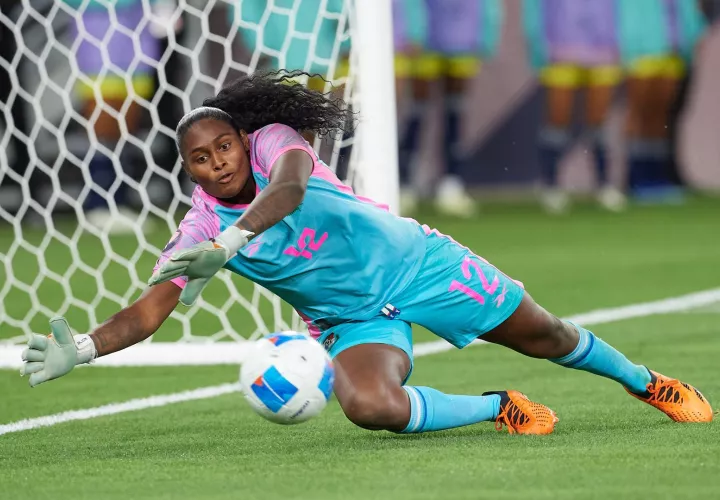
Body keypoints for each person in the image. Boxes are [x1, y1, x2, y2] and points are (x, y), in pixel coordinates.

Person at [20, 72, 713, 435]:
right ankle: (497, 407)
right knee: (370, 407)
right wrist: (82, 348)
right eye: (200, 160)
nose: (216, 162)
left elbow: (290, 190)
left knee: (549, 334)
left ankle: (645, 382)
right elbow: (148, 313)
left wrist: (233, 241)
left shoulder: (274, 143)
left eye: (222, 147)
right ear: (190, 171)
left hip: (419, 265)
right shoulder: (195, 228)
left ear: (241, 140)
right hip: (353, 319)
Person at [394, 0, 503, 217]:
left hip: (464, 35)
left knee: (455, 112)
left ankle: (452, 182)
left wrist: (487, 34)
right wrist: (414, 31)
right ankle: (405, 183)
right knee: (418, 110)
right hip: (425, 39)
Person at [523, 0, 627, 214]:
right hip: (561, 46)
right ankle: (551, 185)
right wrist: (538, 44)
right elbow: (534, 8)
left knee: (598, 119)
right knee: (557, 118)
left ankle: (604, 185)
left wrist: (623, 42)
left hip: (603, 47)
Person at [618, 0, 706, 202]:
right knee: (640, 113)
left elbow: (687, 11)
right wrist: (629, 43)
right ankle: (635, 175)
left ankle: (656, 177)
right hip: (641, 50)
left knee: (660, 117)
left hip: (674, 51)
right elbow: (625, 12)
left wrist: (694, 33)